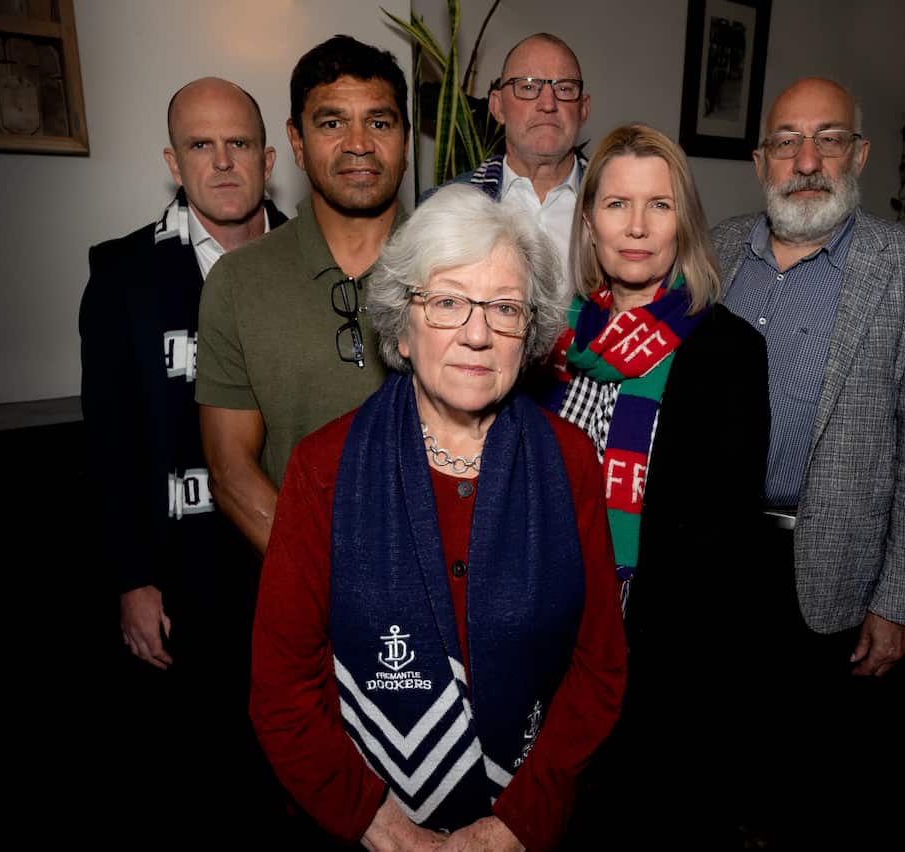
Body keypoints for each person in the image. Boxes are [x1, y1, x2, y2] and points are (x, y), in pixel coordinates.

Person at [249, 184, 626, 852]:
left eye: (505, 308)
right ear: (403, 320)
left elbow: (598, 669)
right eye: (448, 301)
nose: (477, 334)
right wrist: (381, 826)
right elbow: (282, 688)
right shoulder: (323, 467)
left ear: (530, 332)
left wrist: (518, 822)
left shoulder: (569, 461)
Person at [711, 76, 905, 846]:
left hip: (832, 576)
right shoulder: (713, 253)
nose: (808, 159)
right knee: (712, 765)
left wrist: (899, 602)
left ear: (861, 153)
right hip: (712, 561)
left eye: (830, 138)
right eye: (787, 140)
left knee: (809, 789)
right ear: (761, 160)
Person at [538, 123, 769, 848]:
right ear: (589, 220)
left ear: (684, 222)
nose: (636, 228)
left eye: (659, 205)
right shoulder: (547, 341)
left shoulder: (729, 351)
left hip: (657, 673)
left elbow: (721, 551)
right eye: (616, 204)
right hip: (539, 651)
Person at [78, 77, 286, 834]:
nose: (222, 162)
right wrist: (131, 579)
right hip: (182, 576)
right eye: (202, 144)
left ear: (267, 158)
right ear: (175, 160)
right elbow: (108, 441)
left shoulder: (317, 264)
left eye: (238, 144)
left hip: (291, 565)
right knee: (199, 782)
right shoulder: (123, 274)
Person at [196, 35, 409, 555]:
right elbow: (230, 471)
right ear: (296, 141)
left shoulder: (459, 267)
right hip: (304, 593)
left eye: (379, 122)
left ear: (404, 137)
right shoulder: (238, 281)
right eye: (332, 123)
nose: (358, 143)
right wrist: (330, 580)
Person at [429, 33, 590, 300]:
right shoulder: (446, 208)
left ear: (583, 109)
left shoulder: (619, 208)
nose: (548, 104)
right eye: (527, 87)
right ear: (497, 107)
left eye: (564, 88)